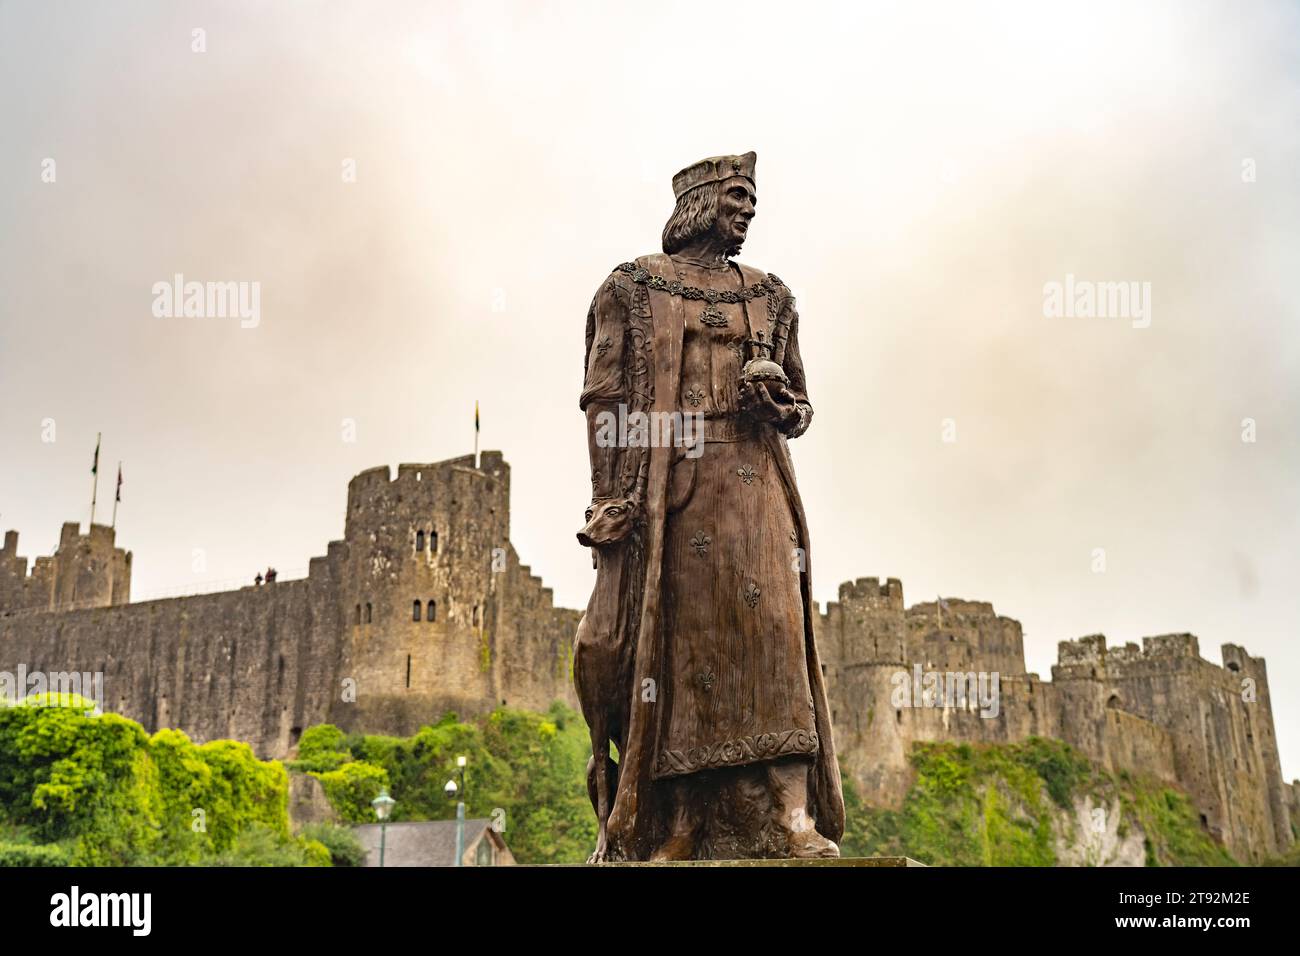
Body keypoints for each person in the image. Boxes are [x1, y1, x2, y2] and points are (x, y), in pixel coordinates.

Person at [577, 151, 843, 861]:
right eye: (737, 196)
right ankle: (683, 822)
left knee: (776, 643)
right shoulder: (632, 287)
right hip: (677, 494)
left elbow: (803, 407)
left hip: (759, 493)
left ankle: (791, 817)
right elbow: (604, 399)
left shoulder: (772, 295)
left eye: (752, 199)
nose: (748, 210)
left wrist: (778, 400)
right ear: (698, 202)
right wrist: (610, 498)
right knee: (684, 652)